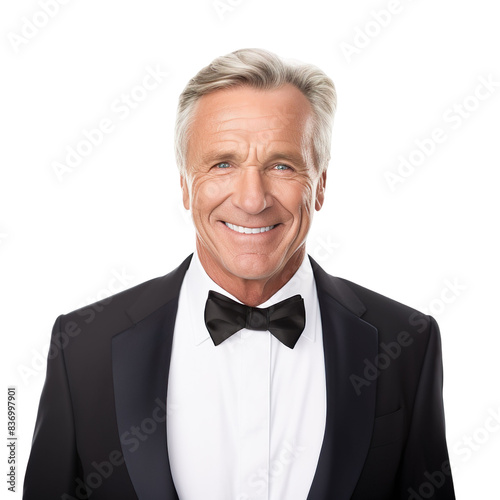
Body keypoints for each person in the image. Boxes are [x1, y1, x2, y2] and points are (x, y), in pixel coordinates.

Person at [23, 48, 455, 500]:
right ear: (186, 184)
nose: (252, 199)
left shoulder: (407, 343)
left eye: (282, 165)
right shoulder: (82, 347)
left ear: (321, 185)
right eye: (223, 163)